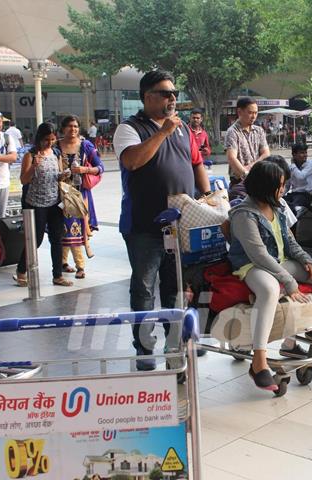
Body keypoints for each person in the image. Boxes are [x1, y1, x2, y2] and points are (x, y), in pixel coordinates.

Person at [113, 69, 211, 370]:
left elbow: (196, 163)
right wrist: (164, 132)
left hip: (179, 227)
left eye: (174, 93)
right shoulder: (129, 128)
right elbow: (132, 161)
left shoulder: (183, 130)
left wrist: (207, 195)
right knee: (144, 288)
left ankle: (175, 345)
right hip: (144, 226)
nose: (172, 98)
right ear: (147, 97)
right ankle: (144, 349)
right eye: (165, 93)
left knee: (175, 288)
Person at [227, 161, 312, 390]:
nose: (283, 190)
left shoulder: (277, 206)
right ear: (265, 186)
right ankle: (259, 362)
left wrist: (305, 260)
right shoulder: (244, 215)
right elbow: (259, 255)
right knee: (270, 289)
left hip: (279, 262)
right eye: (279, 185)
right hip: (251, 267)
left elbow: (290, 242)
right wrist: (290, 283)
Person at [15, 122, 72, 287]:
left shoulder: (56, 153)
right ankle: (21, 269)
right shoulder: (30, 155)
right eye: (46, 139)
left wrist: (65, 174)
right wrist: (34, 166)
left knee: (57, 238)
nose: (50, 142)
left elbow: (58, 176)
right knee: (36, 239)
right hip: (35, 203)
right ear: (39, 138)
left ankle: (57, 275)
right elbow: (23, 180)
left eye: (53, 139)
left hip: (54, 201)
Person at [57, 115, 104, 279]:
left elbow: (100, 167)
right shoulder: (56, 146)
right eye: (69, 126)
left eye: (76, 126)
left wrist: (85, 170)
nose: (73, 129)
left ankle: (80, 266)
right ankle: (62, 262)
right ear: (63, 128)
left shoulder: (85, 146)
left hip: (79, 195)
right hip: (60, 195)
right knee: (61, 230)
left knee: (76, 228)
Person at [224, 97, 270, 198]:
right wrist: (246, 174)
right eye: (250, 112)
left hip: (258, 179)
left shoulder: (259, 131)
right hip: (240, 182)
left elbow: (266, 154)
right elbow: (232, 158)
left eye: (256, 113)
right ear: (240, 112)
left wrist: (250, 167)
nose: (253, 116)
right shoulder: (232, 132)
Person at [284, 143, 312, 212]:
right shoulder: (291, 167)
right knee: (281, 203)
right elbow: (287, 185)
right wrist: (279, 196)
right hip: (294, 194)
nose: (305, 155)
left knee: (293, 207)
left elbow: (300, 177)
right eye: (302, 153)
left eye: (306, 152)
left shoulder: (310, 165)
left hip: (305, 195)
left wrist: (292, 164)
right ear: (294, 155)